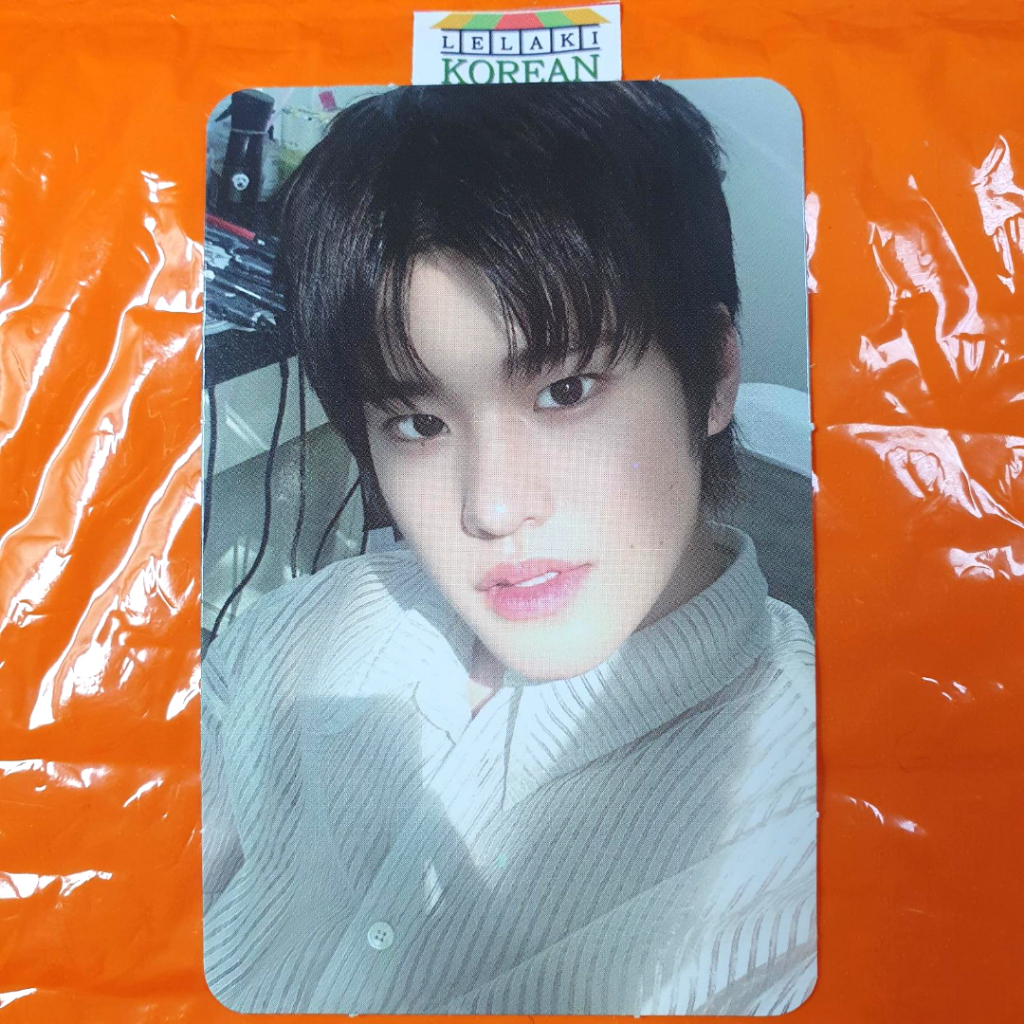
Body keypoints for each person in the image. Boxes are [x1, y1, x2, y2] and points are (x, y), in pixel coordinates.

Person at [201, 81, 817, 1015]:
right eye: (418, 422)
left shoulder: (814, 838)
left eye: (566, 392)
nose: (490, 508)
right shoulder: (301, 633)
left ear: (716, 373)